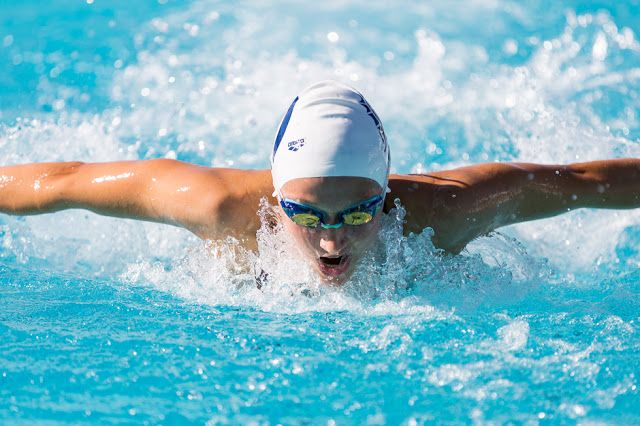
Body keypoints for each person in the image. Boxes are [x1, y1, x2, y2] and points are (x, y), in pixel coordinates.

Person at [1, 80, 639, 285]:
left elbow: (578, 180)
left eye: (358, 211)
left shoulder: (444, 211)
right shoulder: (224, 208)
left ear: (387, 196)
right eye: (305, 214)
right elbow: (66, 182)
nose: (332, 239)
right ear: (275, 201)